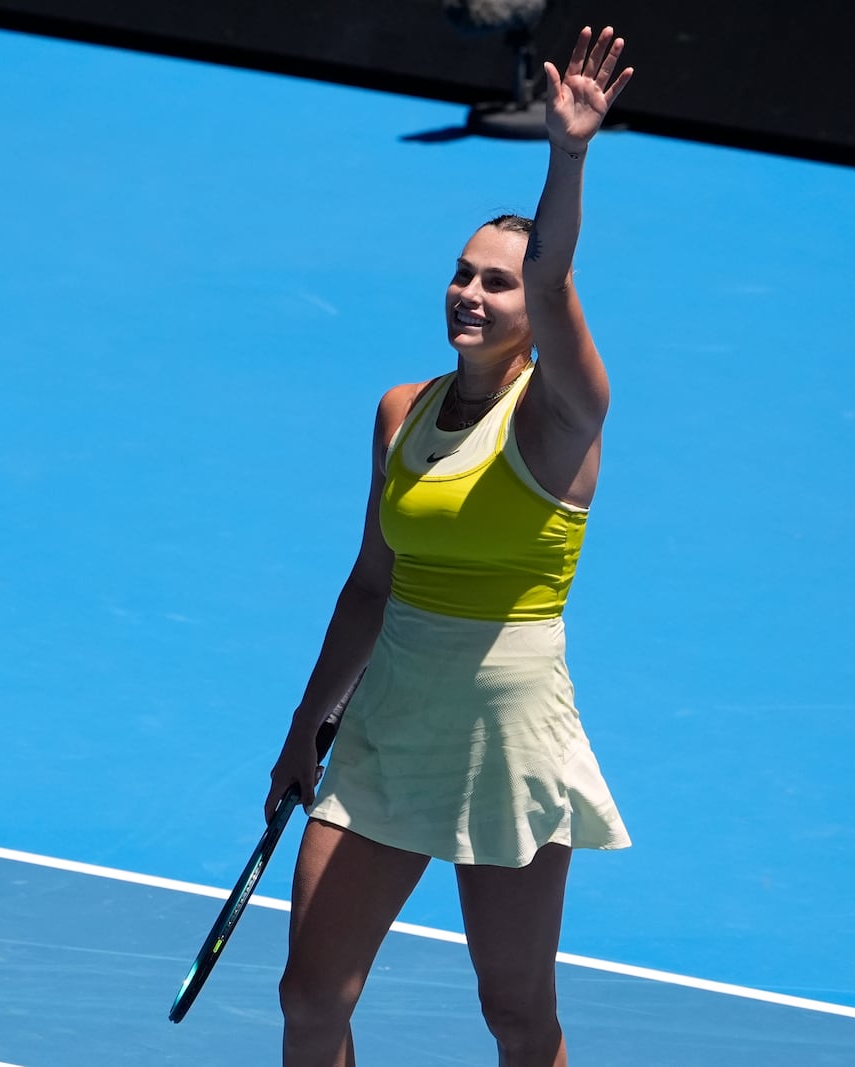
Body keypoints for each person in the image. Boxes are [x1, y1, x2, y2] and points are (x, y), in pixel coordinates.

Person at [264, 26, 635, 1067]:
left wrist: (567, 154)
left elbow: (557, 276)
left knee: (516, 1012)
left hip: (506, 735)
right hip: (388, 720)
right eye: (461, 274)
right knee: (309, 996)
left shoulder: (560, 417)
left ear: (535, 312)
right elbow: (371, 584)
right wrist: (307, 720)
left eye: (498, 284)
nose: (471, 293)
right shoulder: (399, 410)